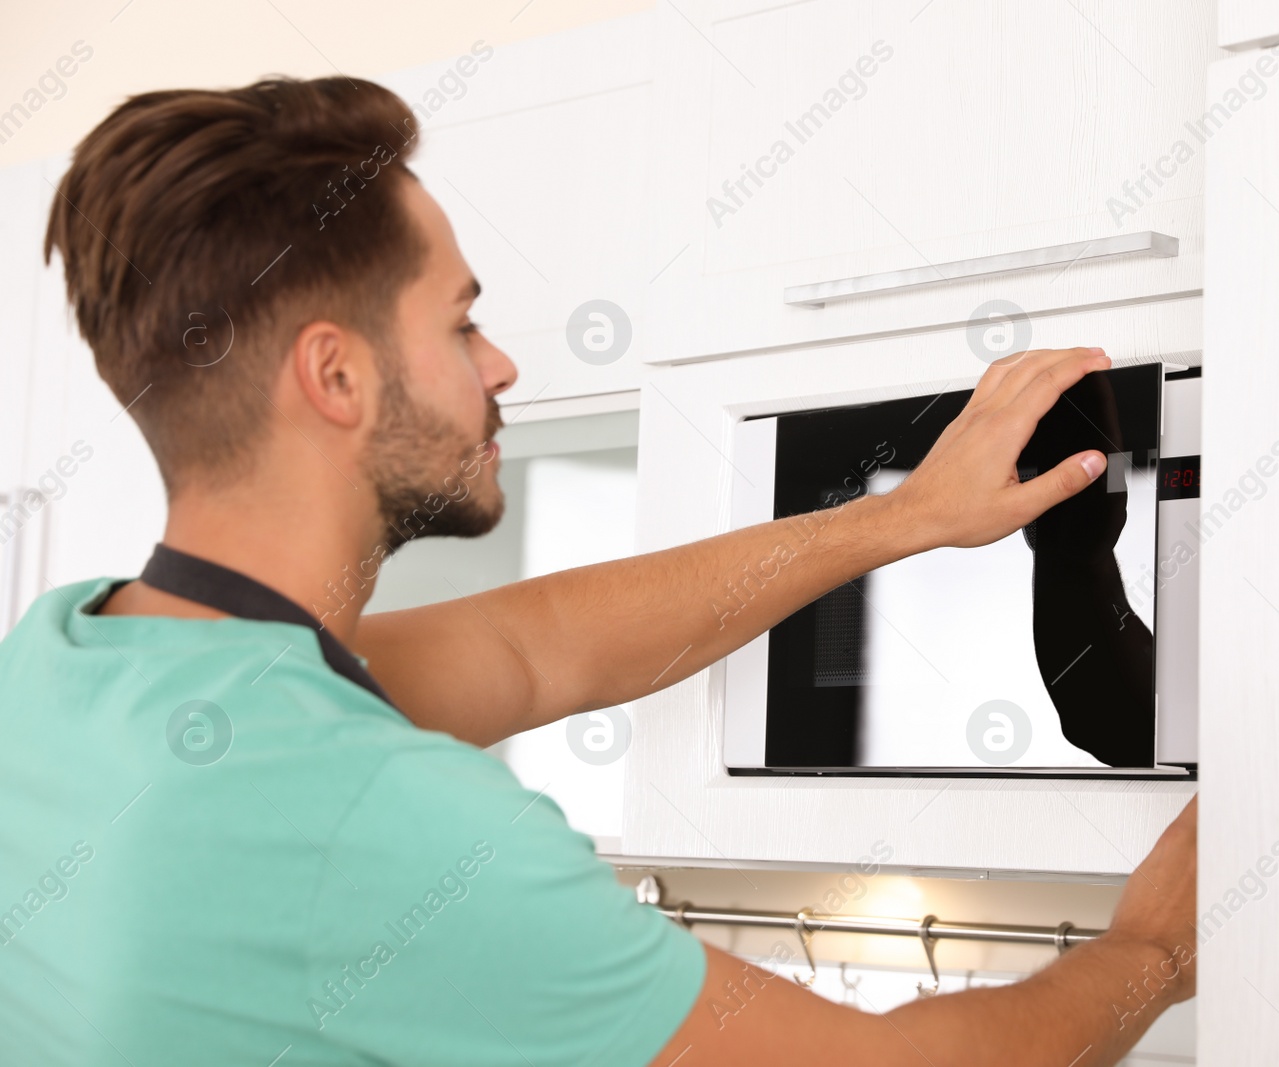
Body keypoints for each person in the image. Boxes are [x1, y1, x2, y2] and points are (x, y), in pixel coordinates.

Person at [0, 76, 1197, 1066]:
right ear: (337, 377)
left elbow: (541, 644)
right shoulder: (388, 824)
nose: (504, 362)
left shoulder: (67, 666)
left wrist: (902, 519)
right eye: (462, 322)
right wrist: (1149, 955)